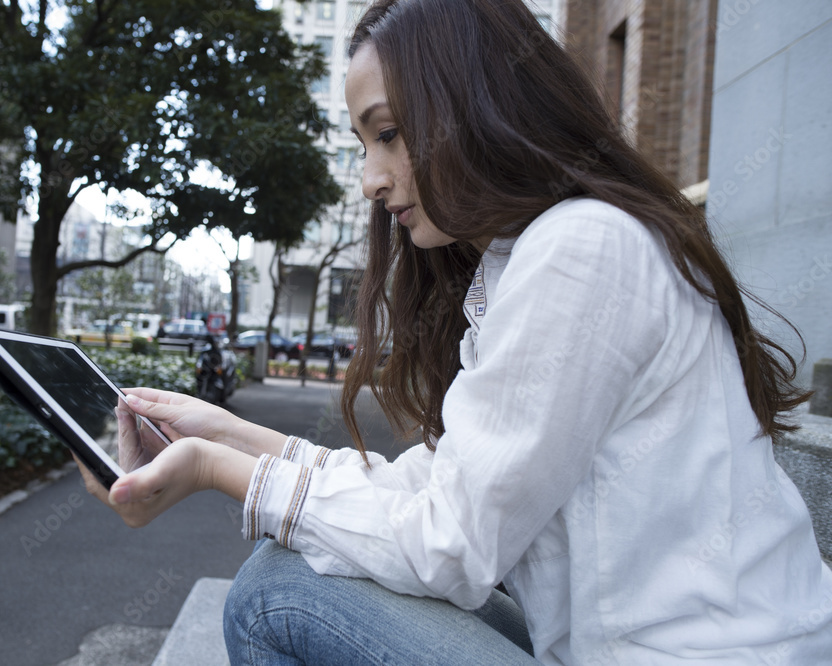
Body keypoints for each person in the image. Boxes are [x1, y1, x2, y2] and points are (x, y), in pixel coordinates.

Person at [75, 0, 832, 663]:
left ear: (475, 106)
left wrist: (216, 470)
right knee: (294, 571)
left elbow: (451, 544)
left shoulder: (584, 249)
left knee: (278, 597)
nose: (371, 179)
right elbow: (435, 492)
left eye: (391, 134)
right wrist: (229, 434)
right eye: (365, 143)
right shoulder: (532, 258)